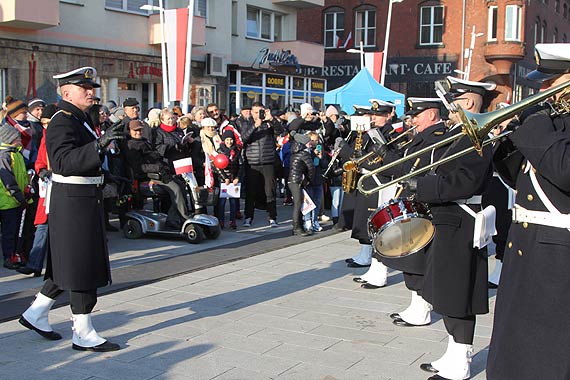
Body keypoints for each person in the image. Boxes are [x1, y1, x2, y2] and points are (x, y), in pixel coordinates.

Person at [19, 67, 122, 352]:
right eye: (84, 88)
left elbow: (82, 160)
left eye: (91, 88)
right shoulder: (63, 121)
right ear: (66, 92)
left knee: (69, 261)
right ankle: (83, 331)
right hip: (74, 199)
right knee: (82, 262)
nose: (91, 92)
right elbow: (63, 162)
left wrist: (109, 176)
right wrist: (99, 145)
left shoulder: (78, 118)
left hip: (82, 196)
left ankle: (36, 312)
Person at [394, 94, 493, 379]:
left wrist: (421, 186)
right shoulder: (458, 134)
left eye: (458, 100)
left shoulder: (478, 134)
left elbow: (465, 181)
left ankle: (461, 359)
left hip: (461, 219)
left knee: (458, 292)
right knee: (446, 289)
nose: (451, 106)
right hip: (446, 218)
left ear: (471, 103)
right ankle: (453, 352)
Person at [487, 43, 570, 380]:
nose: (542, 89)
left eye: (551, 82)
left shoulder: (547, 123)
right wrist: (506, 144)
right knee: (514, 350)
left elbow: (563, 169)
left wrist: (532, 126)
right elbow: (526, 179)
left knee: (545, 354)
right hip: (527, 245)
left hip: (556, 255)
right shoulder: (554, 121)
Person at [124, 120, 190, 227]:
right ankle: (183, 216)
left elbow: (156, 156)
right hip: (147, 177)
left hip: (159, 173)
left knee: (181, 186)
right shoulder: (131, 146)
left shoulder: (144, 141)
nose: (138, 132)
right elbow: (139, 167)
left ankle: (174, 217)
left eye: (140, 130)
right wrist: (158, 167)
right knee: (176, 189)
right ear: (129, 131)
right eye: (135, 130)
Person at [17, 104, 58, 277]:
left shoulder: (62, 134)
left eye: (49, 122)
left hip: (64, 187)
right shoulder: (45, 137)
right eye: (43, 123)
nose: (45, 126)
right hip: (48, 188)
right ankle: (35, 264)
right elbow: (40, 159)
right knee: (42, 226)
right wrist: (41, 170)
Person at [241, 102, 283, 227]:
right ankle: (248, 217)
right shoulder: (246, 124)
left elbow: (281, 131)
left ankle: (272, 217)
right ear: (251, 112)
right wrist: (255, 126)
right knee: (251, 192)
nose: (257, 114)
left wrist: (272, 120)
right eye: (255, 112)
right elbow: (243, 139)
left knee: (270, 192)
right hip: (252, 162)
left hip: (268, 161)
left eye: (260, 112)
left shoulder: (268, 124)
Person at [0, 123, 32, 269]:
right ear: (9, 139)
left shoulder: (17, 154)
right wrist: (20, 198)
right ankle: (8, 257)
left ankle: (16, 254)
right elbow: (8, 181)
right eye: (17, 137)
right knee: (9, 232)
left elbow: (22, 177)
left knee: (16, 231)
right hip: (7, 201)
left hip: (17, 199)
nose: (20, 139)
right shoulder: (5, 156)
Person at [288, 133, 315, 236]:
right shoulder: (304, 154)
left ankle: (298, 226)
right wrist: (308, 179)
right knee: (298, 204)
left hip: (292, 180)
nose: (310, 144)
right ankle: (297, 227)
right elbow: (311, 168)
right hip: (298, 181)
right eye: (308, 142)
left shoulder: (294, 153)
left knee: (298, 203)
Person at [216, 130, 241, 229]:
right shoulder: (220, 151)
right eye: (227, 139)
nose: (229, 142)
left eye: (231, 139)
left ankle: (232, 220)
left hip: (233, 179)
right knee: (221, 202)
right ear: (224, 140)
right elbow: (217, 167)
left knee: (233, 201)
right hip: (224, 180)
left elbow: (241, 165)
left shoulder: (237, 151)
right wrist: (224, 178)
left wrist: (237, 177)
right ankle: (221, 220)